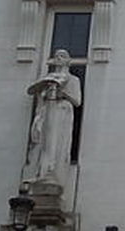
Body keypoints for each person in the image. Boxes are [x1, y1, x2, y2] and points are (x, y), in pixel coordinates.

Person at [25, 49, 83, 184]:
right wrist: (45, 85)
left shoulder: (73, 79)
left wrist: (63, 93)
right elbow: (31, 90)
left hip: (62, 111)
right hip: (48, 110)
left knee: (57, 141)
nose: (58, 59)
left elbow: (77, 101)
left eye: (62, 56)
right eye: (56, 56)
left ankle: (52, 172)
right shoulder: (49, 77)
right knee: (44, 141)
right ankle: (41, 171)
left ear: (68, 61)